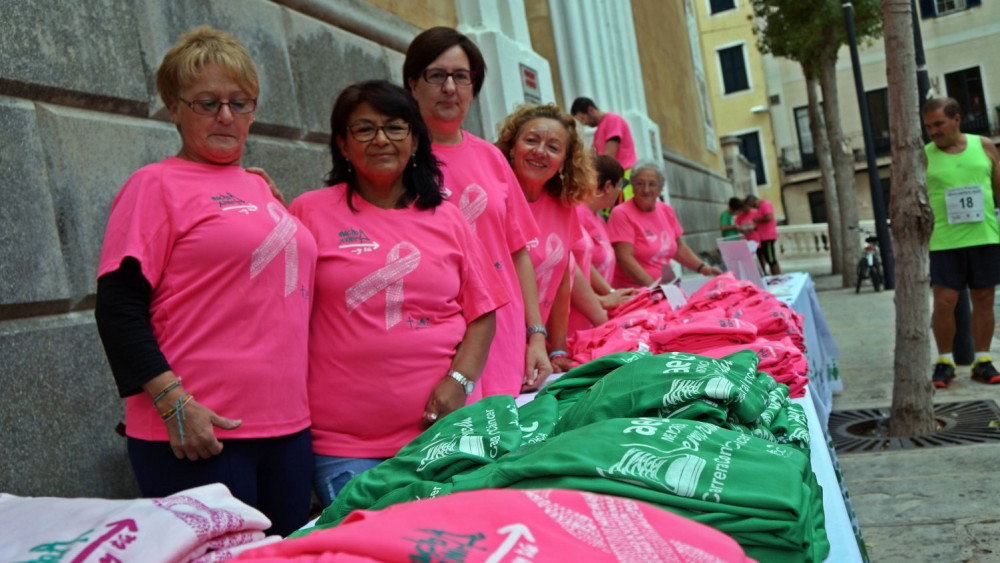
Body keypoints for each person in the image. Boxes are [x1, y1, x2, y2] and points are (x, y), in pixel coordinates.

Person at [94, 26, 317, 536]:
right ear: (174, 108)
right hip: (199, 432)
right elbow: (118, 309)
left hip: (288, 427)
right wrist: (174, 403)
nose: (226, 116)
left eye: (240, 102)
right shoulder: (154, 185)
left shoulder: (260, 187)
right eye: (207, 103)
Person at [290, 80, 507, 506]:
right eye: (364, 129)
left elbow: (483, 313)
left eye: (394, 127)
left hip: (443, 434)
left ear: (414, 140)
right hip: (343, 443)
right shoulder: (309, 212)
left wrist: (459, 381)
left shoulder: (448, 217)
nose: (381, 140)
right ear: (343, 144)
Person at [403, 26, 551, 395]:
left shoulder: (491, 158)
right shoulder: (399, 160)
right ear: (412, 83)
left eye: (461, 77)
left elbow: (517, 253)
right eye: (436, 75)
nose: (450, 88)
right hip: (436, 336)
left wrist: (536, 336)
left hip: (503, 332)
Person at [495, 104, 594, 372]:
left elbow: (561, 280)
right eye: (531, 140)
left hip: (538, 349)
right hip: (495, 348)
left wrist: (558, 348)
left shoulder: (563, 206)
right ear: (512, 147)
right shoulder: (494, 201)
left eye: (553, 147)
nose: (540, 152)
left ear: (564, 161)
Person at [921, 97, 1000, 388]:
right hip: (944, 240)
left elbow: (997, 189)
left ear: (956, 119)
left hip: (984, 236)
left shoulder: (985, 146)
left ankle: (982, 360)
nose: (933, 131)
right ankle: (945, 361)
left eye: (938, 124)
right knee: (944, 303)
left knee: (984, 300)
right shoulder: (925, 155)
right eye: (928, 126)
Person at [607, 161, 723, 288]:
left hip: (665, 288)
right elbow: (624, 258)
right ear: (632, 185)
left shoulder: (666, 210)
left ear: (660, 189)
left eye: (652, 184)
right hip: (635, 293)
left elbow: (678, 247)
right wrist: (654, 288)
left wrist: (704, 268)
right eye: (640, 183)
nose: (646, 190)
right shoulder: (621, 213)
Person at [569, 155, 640, 333]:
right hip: (577, 314)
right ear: (608, 186)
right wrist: (606, 296)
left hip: (597, 309)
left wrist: (611, 294)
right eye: (619, 186)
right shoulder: (577, 213)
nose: (620, 192)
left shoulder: (598, 217)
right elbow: (575, 265)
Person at [571, 97, 638, 209]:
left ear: (591, 110)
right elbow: (592, 157)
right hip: (610, 179)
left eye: (583, 119)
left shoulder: (613, 120)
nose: (584, 124)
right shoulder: (598, 131)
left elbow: (608, 155)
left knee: (623, 213)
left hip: (624, 176)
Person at [747, 194, 781, 275]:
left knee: (771, 259)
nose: (752, 207)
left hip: (768, 236)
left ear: (753, 201)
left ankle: (777, 276)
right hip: (763, 237)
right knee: (767, 258)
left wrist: (757, 220)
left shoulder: (765, 204)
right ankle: (774, 276)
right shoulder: (759, 207)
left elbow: (768, 217)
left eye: (751, 205)